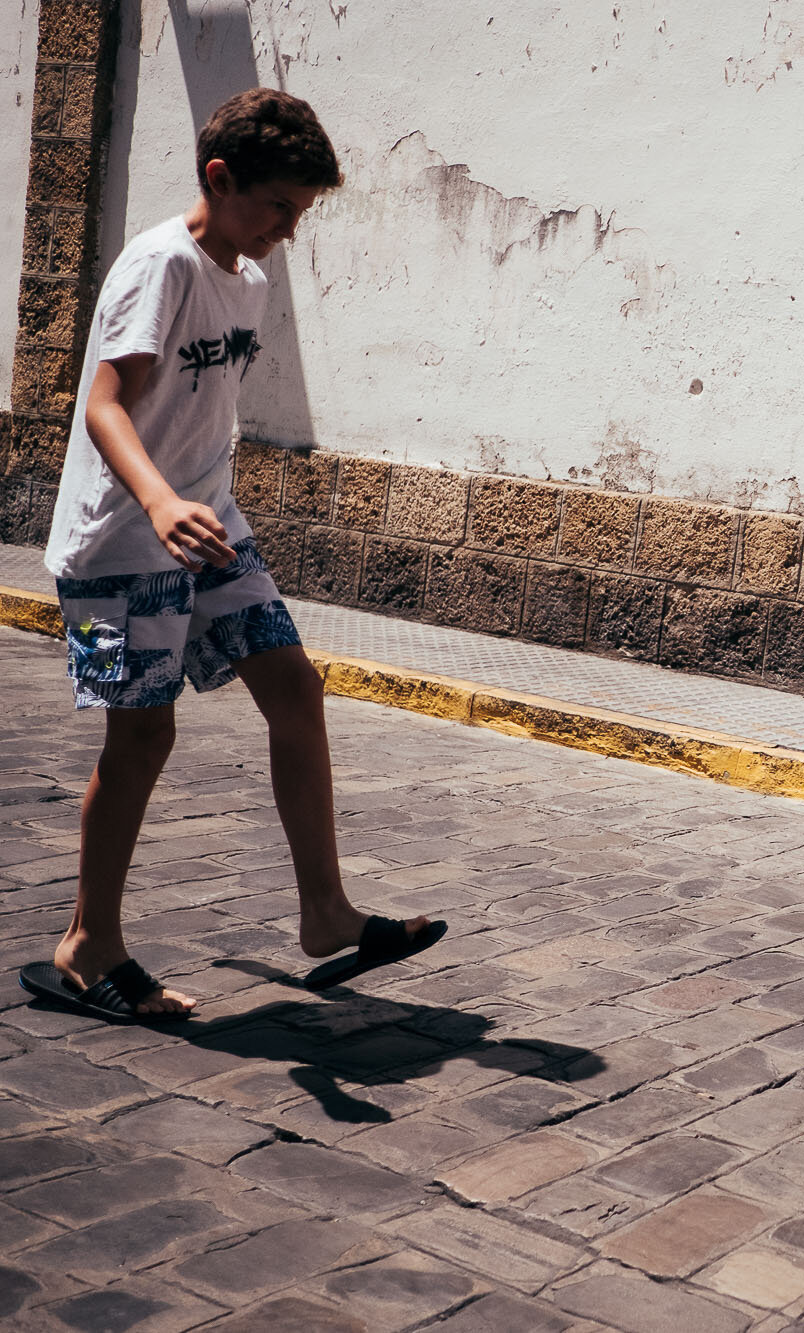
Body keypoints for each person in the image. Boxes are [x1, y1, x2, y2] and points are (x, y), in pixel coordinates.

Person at [18, 89, 446, 1024]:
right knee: (140, 733)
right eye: (279, 207)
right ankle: (90, 942)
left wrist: (192, 500)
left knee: (296, 689)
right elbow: (102, 406)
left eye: (300, 211)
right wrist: (160, 497)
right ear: (220, 178)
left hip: (211, 528)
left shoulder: (245, 277)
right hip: (111, 548)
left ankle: (326, 914)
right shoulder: (159, 268)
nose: (289, 230)